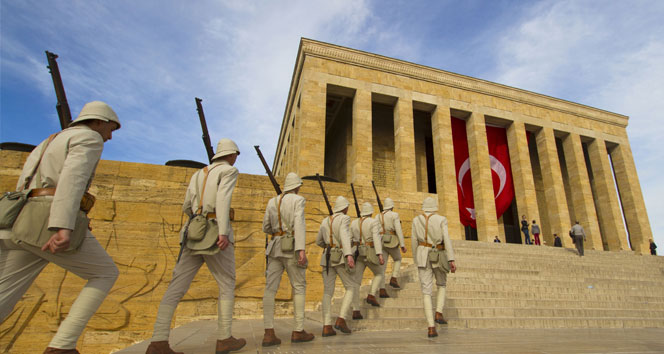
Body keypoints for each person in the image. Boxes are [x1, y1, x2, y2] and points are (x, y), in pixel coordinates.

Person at [0, 101, 121, 354]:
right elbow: (72, 181)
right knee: (105, 273)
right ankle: (62, 346)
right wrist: (62, 226)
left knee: (5, 292)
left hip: (20, 222)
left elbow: (25, 183)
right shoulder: (89, 137)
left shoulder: (49, 141)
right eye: (110, 128)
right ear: (98, 121)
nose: (110, 136)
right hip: (47, 222)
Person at [146, 138, 245, 354]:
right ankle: (224, 337)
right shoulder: (229, 171)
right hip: (215, 230)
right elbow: (223, 200)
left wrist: (196, 224)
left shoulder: (198, 174)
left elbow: (187, 205)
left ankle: (159, 341)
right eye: (236, 154)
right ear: (231, 154)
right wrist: (222, 231)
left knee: (176, 287)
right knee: (227, 282)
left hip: (193, 230)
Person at [260, 172, 314, 346]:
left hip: (275, 246)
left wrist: (278, 232)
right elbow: (299, 223)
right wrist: (301, 249)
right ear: (296, 186)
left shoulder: (272, 201)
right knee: (298, 286)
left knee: (270, 289)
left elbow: (266, 227)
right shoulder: (298, 200)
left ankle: (268, 333)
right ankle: (298, 330)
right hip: (291, 246)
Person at [411, 197, 456, 338]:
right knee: (441, 284)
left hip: (423, 255)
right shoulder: (441, 219)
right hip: (439, 253)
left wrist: (415, 258)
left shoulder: (416, 220)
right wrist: (451, 258)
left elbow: (414, 241)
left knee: (426, 292)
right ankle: (438, 312)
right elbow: (446, 239)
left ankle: (431, 327)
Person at [316, 196, 356, 337]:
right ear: (344, 208)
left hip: (326, 257)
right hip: (339, 256)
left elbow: (318, 241)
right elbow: (344, 235)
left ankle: (327, 325)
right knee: (351, 287)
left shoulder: (325, 220)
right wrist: (348, 254)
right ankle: (341, 318)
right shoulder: (344, 218)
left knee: (328, 291)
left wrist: (329, 246)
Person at [350, 202, 385, 319]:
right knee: (379, 273)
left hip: (357, 252)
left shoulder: (354, 222)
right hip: (370, 251)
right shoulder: (373, 221)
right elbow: (376, 237)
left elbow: (350, 238)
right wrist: (379, 254)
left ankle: (355, 309)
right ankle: (371, 294)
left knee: (356, 282)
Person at [376, 197, 406, 296]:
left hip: (381, 241)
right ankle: (394, 277)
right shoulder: (394, 215)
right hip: (392, 241)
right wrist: (402, 244)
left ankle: (382, 289)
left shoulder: (378, 216)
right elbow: (398, 230)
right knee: (398, 258)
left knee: (382, 268)